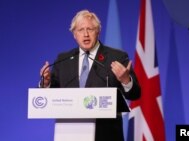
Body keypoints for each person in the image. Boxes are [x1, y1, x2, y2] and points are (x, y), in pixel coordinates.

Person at [40, 9, 141, 141]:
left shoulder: (116, 57)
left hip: (106, 134)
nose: (86, 34)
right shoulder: (63, 59)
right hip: (69, 133)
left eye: (90, 29)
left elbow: (135, 94)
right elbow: (52, 96)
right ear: (74, 34)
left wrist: (126, 80)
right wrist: (46, 83)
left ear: (98, 32)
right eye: (81, 30)